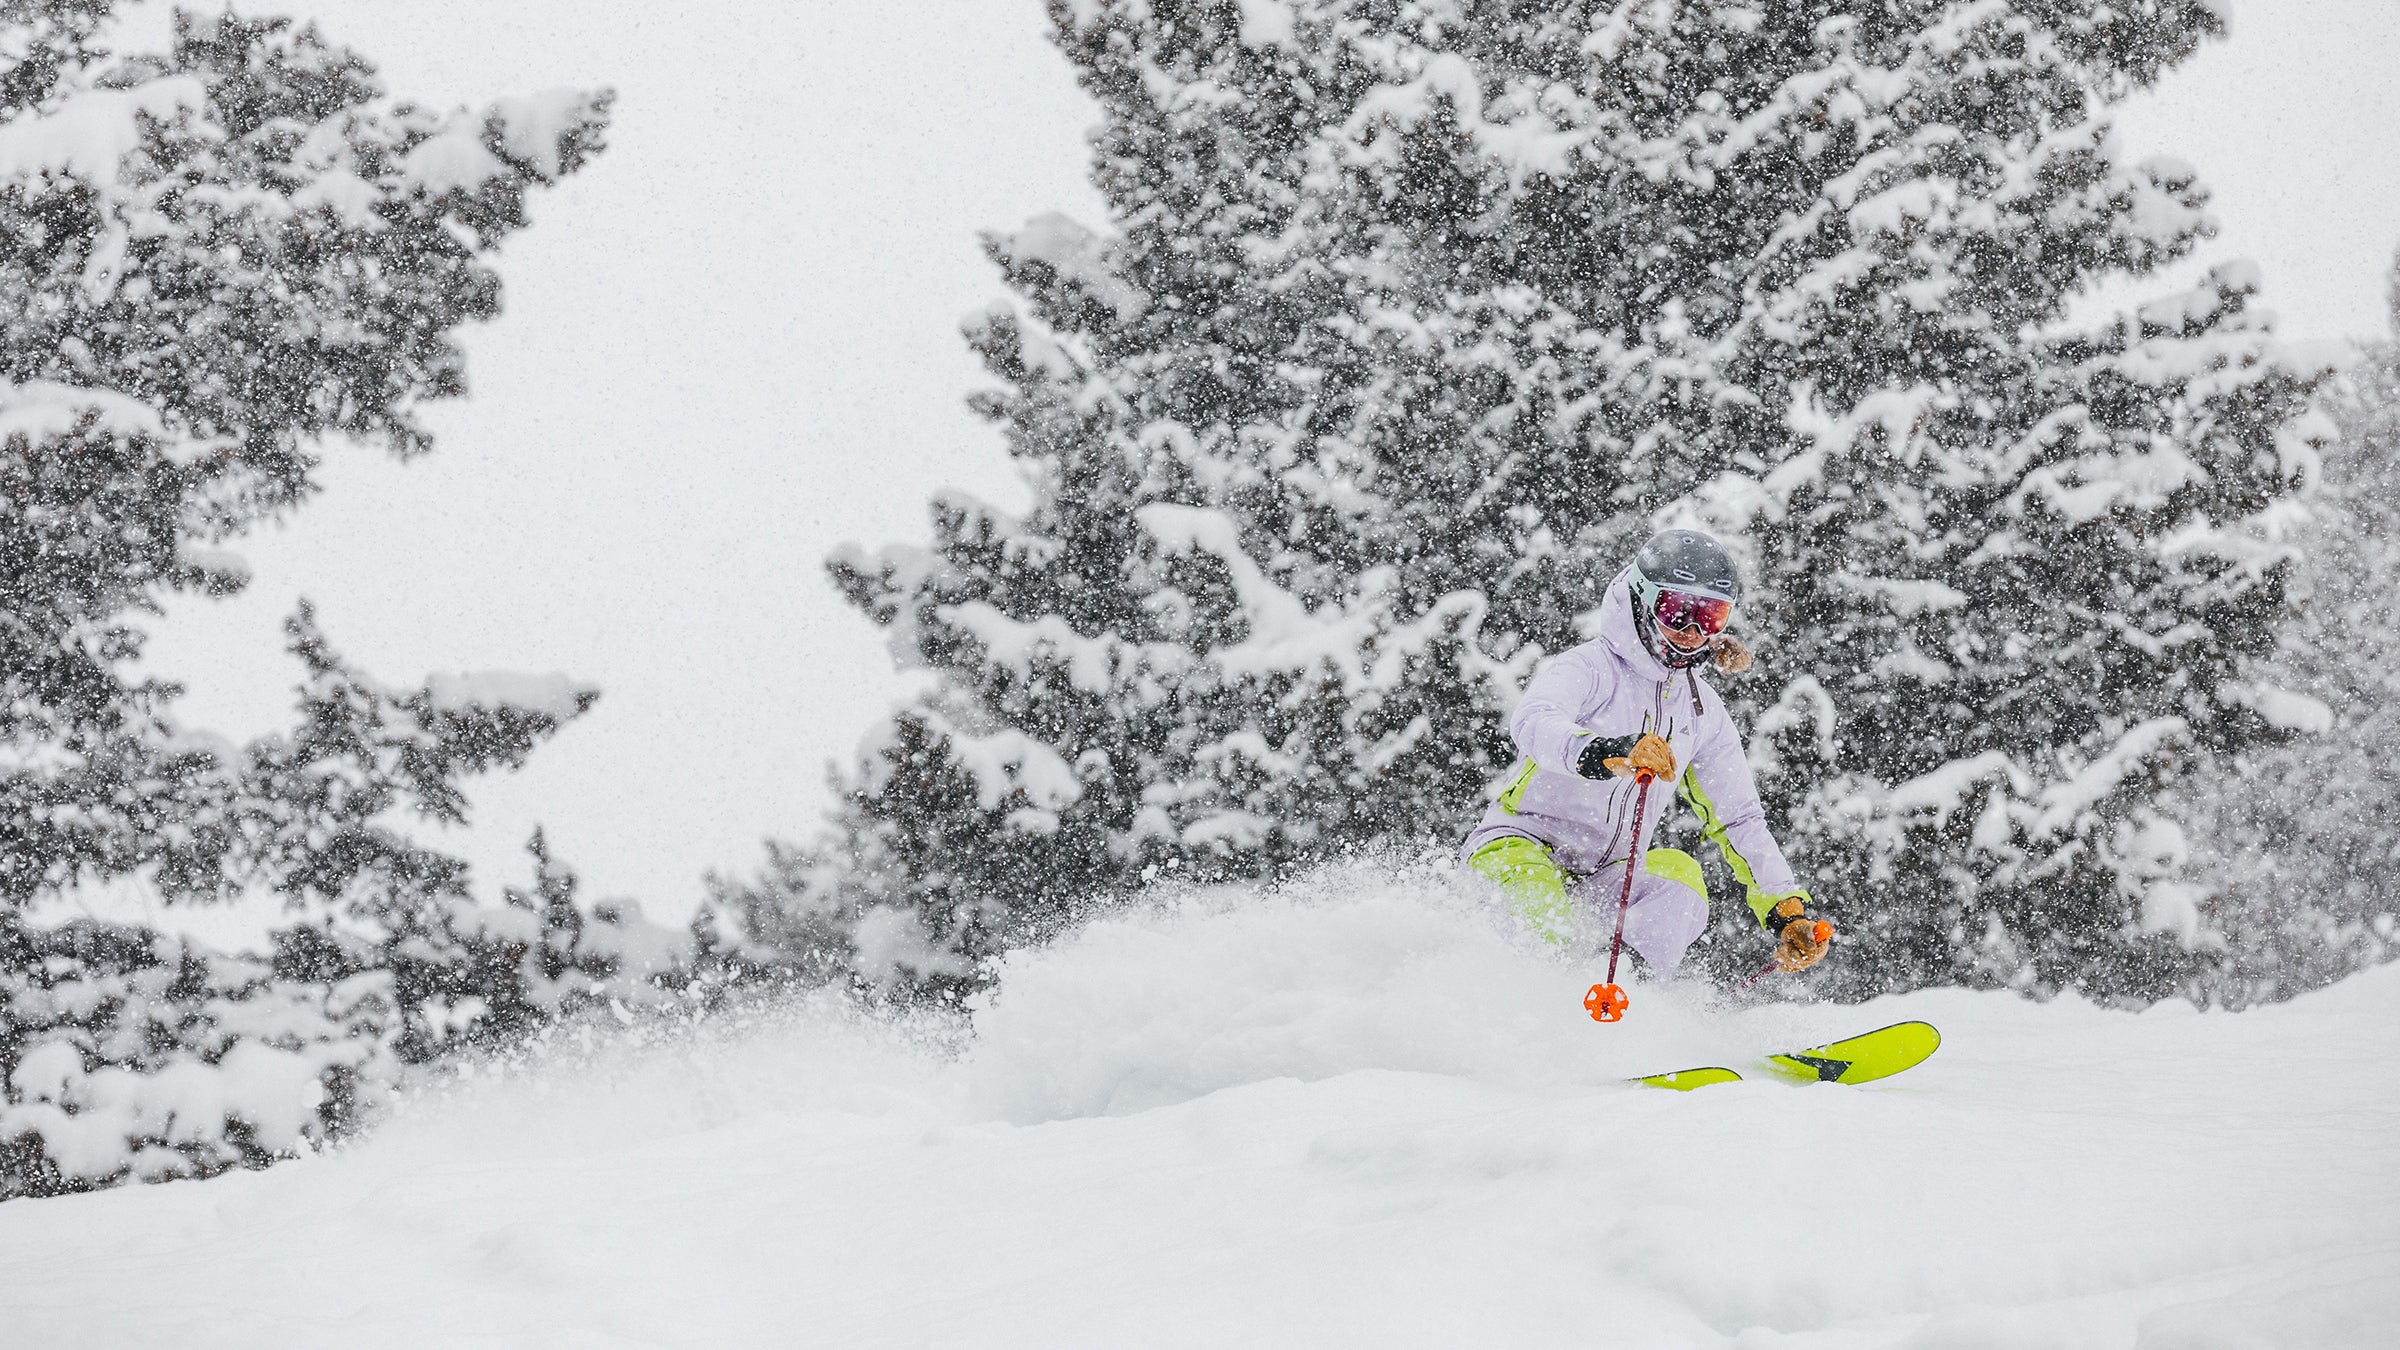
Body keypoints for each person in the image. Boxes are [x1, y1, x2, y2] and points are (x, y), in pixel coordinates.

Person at [1462, 528, 1829, 977]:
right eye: (1678, 612)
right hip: (1518, 849)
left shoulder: (1702, 711)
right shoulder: (1590, 668)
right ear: (1640, 599)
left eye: (1710, 617)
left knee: (1680, 879)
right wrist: (1605, 753)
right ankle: (1545, 1011)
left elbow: (1738, 818)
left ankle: (1627, 999)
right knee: (1545, 921)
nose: (1693, 633)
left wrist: (1787, 908)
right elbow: (1534, 719)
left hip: (1603, 873)